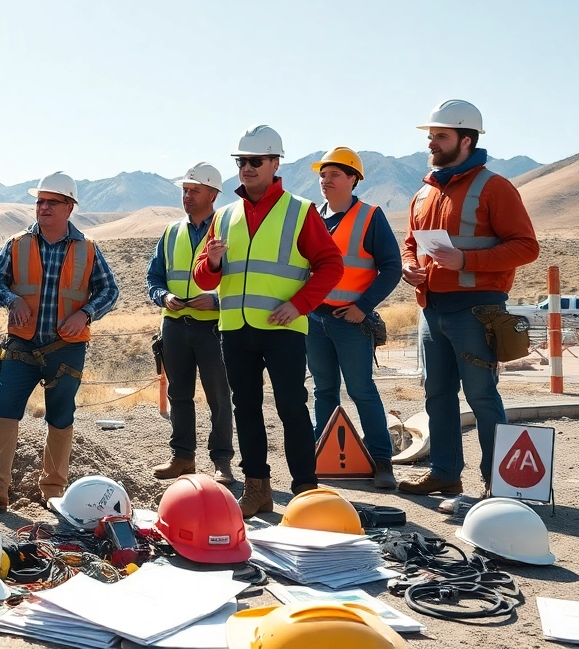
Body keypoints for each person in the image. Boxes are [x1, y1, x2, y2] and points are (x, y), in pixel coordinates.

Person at [192, 126, 344, 518]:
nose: (246, 168)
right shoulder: (223, 216)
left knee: (292, 406)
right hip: (235, 329)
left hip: (283, 330)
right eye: (241, 161)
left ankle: (305, 490)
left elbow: (331, 265)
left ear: (275, 163)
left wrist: (300, 304)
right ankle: (257, 489)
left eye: (255, 161)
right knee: (246, 407)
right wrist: (211, 262)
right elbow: (203, 277)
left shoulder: (299, 210)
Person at [399, 100, 538, 496]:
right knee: (437, 394)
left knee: (480, 394)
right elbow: (410, 242)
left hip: (477, 310)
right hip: (432, 309)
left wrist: (465, 259)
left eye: (440, 136)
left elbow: (527, 247)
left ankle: (500, 482)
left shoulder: (495, 187)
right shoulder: (423, 193)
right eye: (430, 136)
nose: (432, 142)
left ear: (465, 139)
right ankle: (445, 472)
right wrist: (410, 266)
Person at [0, 172, 120, 512]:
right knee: (4, 411)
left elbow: (110, 290)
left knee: (60, 416)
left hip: (66, 348)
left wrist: (87, 314)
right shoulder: (17, 244)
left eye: (52, 202)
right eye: (40, 201)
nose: (44, 207)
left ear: (69, 207)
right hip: (21, 347)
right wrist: (11, 300)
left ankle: (52, 491)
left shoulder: (87, 249)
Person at [307, 147, 402, 490]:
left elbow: (392, 267)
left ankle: (382, 462)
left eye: (334, 174)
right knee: (323, 390)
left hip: (351, 321)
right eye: (323, 174)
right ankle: (323, 453)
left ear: (353, 179)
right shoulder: (313, 216)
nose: (325, 180)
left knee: (362, 390)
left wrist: (363, 306)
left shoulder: (370, 216)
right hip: (315, 320)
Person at [146, 162, 235, 486]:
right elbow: (153, 277)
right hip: (175, 325)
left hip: (212, 327)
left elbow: (241, 281)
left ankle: (222, 462)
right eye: (185, 190)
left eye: (194, 190)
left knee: (218, 397)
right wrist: (163, 296)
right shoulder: (171, 232)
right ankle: (183, 457)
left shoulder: (229, 231)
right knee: (179, 396)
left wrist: (217, 301)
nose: (187, 196)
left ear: (212, 194)